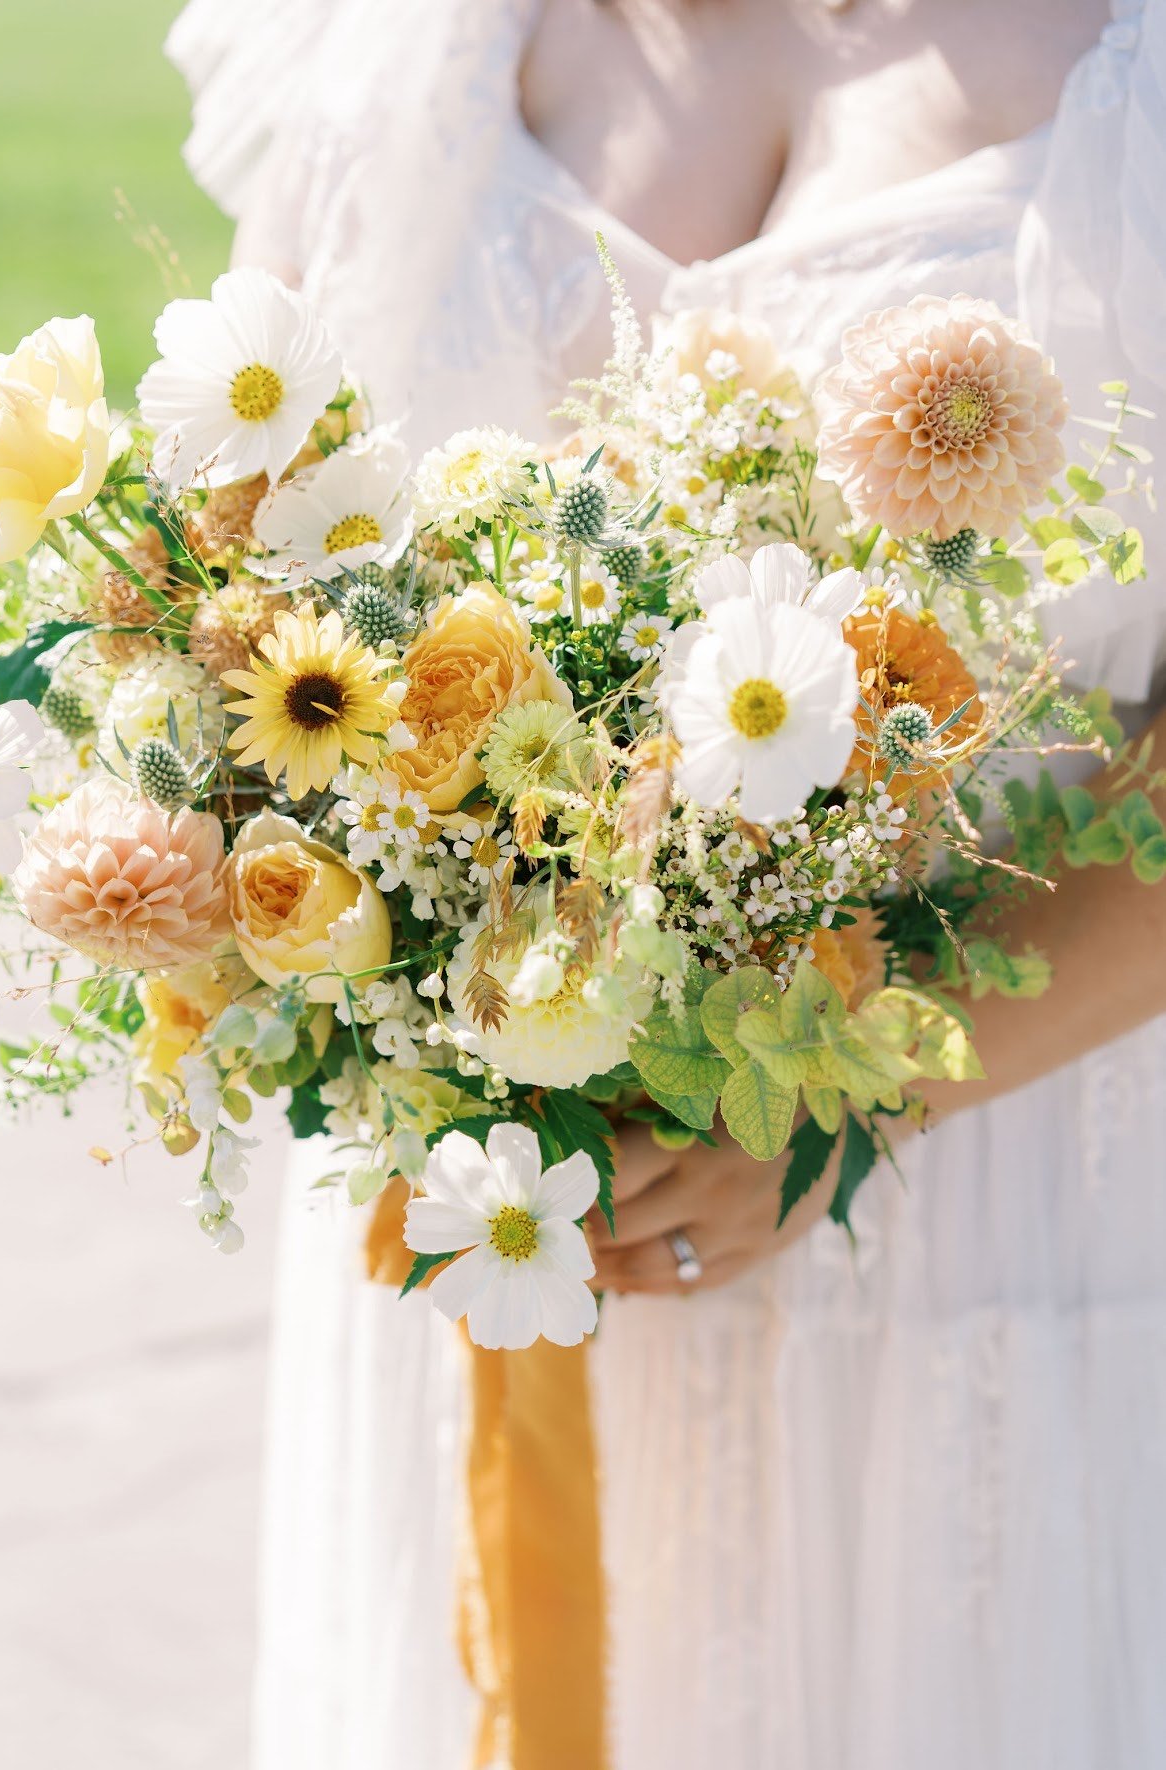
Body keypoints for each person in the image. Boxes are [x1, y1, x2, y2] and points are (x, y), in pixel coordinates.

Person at [169, 2, 1166, 1764]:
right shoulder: (408, 46)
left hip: (990, 1236)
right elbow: (222, 611)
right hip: (490, 1251)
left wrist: (860, 1085)